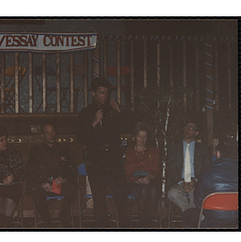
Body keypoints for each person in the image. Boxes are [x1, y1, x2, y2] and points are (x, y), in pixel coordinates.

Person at [77, 77, 129, 228]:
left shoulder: (113, 109)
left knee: (121, 195)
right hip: (96, 159)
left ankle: (126, 228)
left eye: (106, 92)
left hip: (113, 158)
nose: (104, 96)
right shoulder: (85, 113)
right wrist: (93, 123)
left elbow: (127, 128)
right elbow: (82, 138)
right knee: (99, 198)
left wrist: (119, 111)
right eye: (101, 92)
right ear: (93, 93)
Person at [26, 123, 77, 227]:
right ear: (43, 135)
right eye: (47, 133)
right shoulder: (36, 150)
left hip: (59, 183)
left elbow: (71, 169)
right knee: (37, 192)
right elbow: (30, 171)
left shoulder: (64, 149)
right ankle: (47, 221)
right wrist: (41, 183)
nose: (51, 135)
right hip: (44, 184)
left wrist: (63, 178)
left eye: (53, 132)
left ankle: (63, 215)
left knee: (73, 188)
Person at [183, 136, 238, 228]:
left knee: (187, 214)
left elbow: (198, 201)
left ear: (218, 153)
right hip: (236, 218)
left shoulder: (207, 171)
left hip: (212, 218)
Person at [166, 121, 211, 212]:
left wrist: (195, 181)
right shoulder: (174, 148)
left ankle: (189, 217)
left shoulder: (203, 149)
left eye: (191, 128)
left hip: (196, 183)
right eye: (186, 127)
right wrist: (181, 182)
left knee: (196, 194)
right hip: (178, 183)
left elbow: (206, 169)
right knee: (172, 193)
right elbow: (170, 168)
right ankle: (190, 214)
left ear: (196, 133)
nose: (187, 130)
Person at [124, 122, 161, 227]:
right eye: (139, 136)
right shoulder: (129, 152)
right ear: (135, 137)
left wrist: (149, 176)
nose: (142, 139)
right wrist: (136, 180)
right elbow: (128, 172)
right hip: (134, 182)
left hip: (149, 180)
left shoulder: (153, 151)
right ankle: (143, 221)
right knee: (143, 190)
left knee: (153, 190)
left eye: (144, 137)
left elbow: (156, 170)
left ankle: (146, 223)